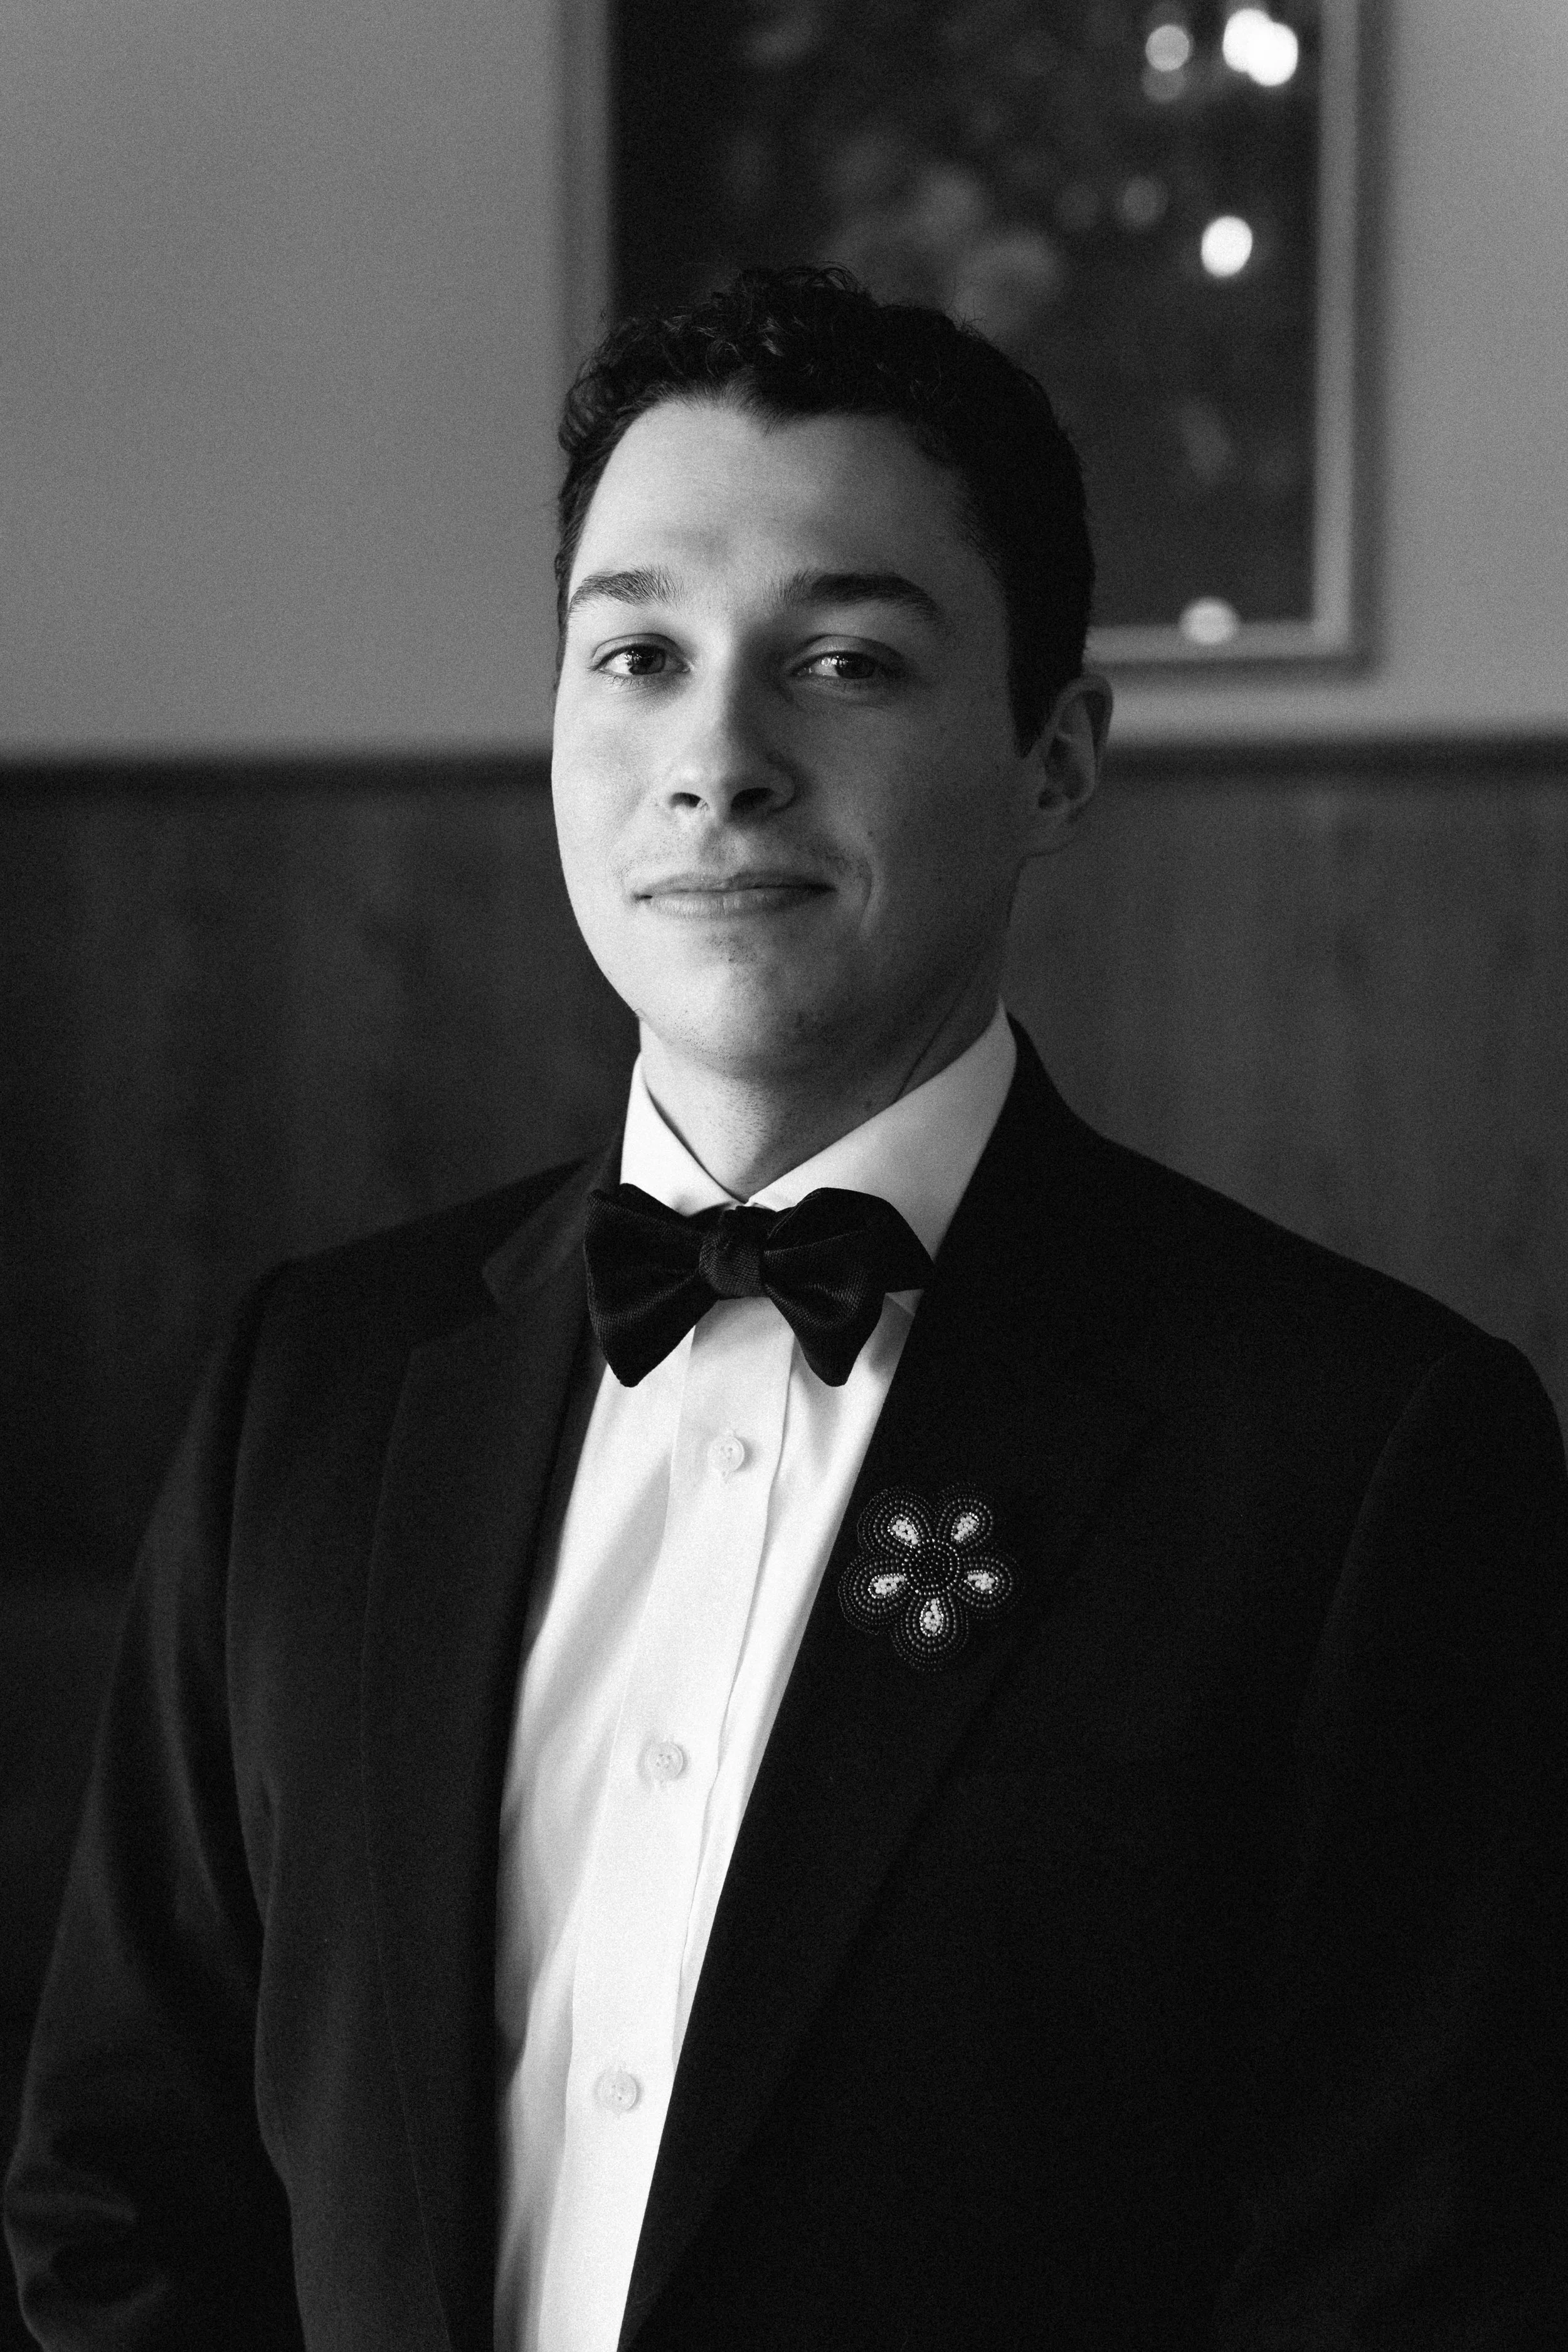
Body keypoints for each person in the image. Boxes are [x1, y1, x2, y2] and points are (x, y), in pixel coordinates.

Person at [6, 267, 1565, 2351]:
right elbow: (118, 2188)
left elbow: (1410, 2291)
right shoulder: (323, 1378)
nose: (713, 757)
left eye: (840, 659)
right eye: (635, 652)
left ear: (1057, 760)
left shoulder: (1363, 1455)